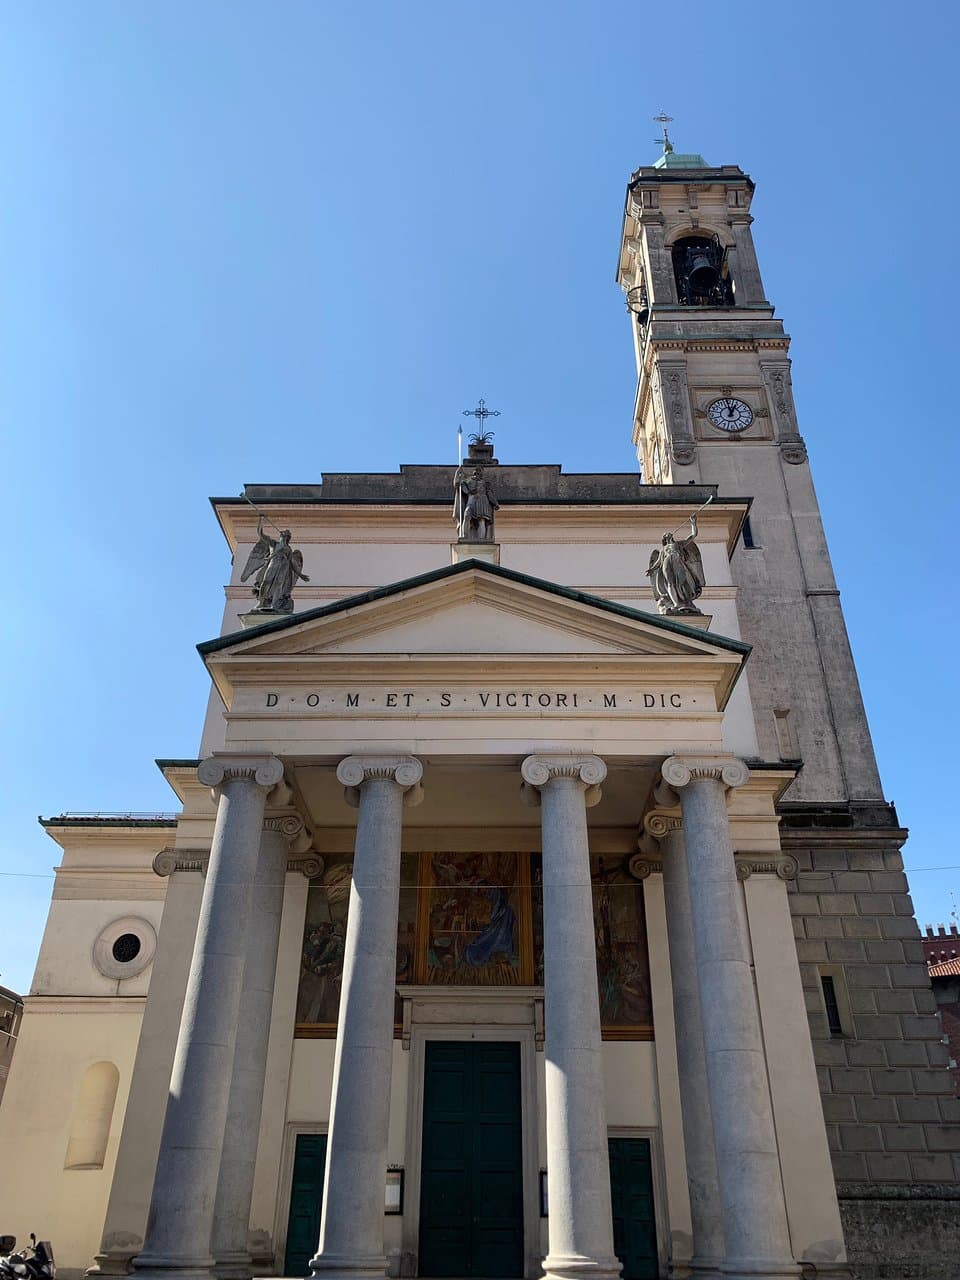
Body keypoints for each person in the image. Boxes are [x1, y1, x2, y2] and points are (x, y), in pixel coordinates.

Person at [240, 517, 310, 613]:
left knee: (279, 585)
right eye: (284, 535)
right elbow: (260, 534)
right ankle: (261, 602)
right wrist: (261, 520)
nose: (285, 537)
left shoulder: (288, 549)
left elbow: (292, 564)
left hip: (283, 568)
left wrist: (301, 575)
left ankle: (274, 604)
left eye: (287, 536)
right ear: (281, 536)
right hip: (273, 565)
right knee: (266, 582)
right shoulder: (273, 544)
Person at [646, 512, 705, 614]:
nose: (667, 533)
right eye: (665, 534)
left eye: (668, 533)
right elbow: (659, 561)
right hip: (667, 563)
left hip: (677, 563)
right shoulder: (663, 549)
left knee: (682, 582)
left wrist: (693, 523)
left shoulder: (679, 544)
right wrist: (652, 569)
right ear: (665, 539)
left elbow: (693, 535)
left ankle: (684, 601)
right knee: (670, 583)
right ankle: (676, 603)